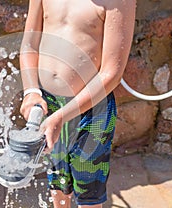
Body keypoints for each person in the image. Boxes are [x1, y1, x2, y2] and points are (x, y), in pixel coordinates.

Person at [19, 0, 136, 207]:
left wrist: (61, 117)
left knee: (89, 192)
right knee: (58, 182)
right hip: (50, 104)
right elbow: (29, 45)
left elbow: (112, 73)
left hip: (93, 110)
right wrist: (31, 92)